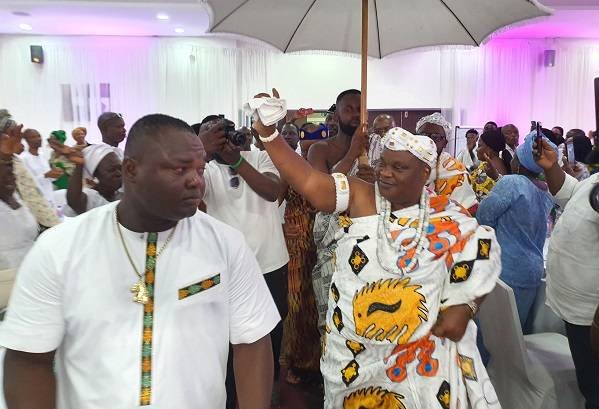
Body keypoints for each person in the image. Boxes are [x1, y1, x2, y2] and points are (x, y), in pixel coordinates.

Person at [0, 113, 279, 409]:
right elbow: (28, 359)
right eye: (180, 169)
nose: (196, 181)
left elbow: (252, 342)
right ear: (131, 169)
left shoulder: (226, 244)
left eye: (199, 169)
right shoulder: (60, 248)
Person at [252, 89, 502, 408]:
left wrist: (465, 306)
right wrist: (269, 133)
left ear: (424, 173)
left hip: (419, 362)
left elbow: (484, 252)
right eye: (383, 163)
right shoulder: (361, 195)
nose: (385, 173)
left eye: (399, 167)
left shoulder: (448, 217)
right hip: (357, 356)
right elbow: (311, 184)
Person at [199, 116, 289, 407]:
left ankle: (262, 395)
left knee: (269, 340)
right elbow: (193, 197)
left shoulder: (260, 157)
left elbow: (273, 191)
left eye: (226, 130)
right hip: (226, 270)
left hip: (270, 265)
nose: (223, 137)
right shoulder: (204, 169)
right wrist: (202, 152)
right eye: (214, 133)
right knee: (226, 345)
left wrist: (236, 160)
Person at [535, 136, 599, 409]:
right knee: (588, 382)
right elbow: (571, 192)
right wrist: (552, 167)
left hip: (592, 317)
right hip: (578, 314)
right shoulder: (593, 181)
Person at [307, 90, 373, 331]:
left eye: (360, 109)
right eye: (349, 109)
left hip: (367, 242)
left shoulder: (378, 148)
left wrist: (374, 182)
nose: (355, 114)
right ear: (336, 115)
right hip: (332, 244)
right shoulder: (320, 149)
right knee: (331, 320)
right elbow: (321, 193)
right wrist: (352, 153)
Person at [477, 132, 554, 331]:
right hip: (532, 270)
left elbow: (484, 217)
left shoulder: (512, 182)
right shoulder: (546, 190)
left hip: (505, 269)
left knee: (491, 334)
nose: (511, 159)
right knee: (516, 332)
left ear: (520, 162)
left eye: (515, 156)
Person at [279, 122, 321, 385]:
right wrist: (279, 227)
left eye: (315, 136)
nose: (307, 140)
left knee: (317, 301)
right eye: (303, 135)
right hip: (296, 241)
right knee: (296, 302)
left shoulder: (325, 165)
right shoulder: (290, 166)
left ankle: (316, 362)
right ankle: (295, 361)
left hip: (321, 240)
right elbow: (272, 201)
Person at [415, 113, 478, 213]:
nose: (429, 141)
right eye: (423, 136)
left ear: (445, 143)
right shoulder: (403, 164)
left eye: (436, 137)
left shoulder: (456, 172)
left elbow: (465, 209)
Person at [54, 144, 123, 216]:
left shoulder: (120, 195)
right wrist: (79, 165)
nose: (119, 173)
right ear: (96, 175)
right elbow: (74, 201)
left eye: (120, 168)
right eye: (111, 170)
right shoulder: (90, 197)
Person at [20, 128, 62, 204]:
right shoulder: (23, 158)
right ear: (27, 140)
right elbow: (26, 182)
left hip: (50, 197)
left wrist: (55, 174)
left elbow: (49, 178)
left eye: (39, 136)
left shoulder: (42, 156)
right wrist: (45, 175)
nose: (38, 139)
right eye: (33, 137)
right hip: (36, 200)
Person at [470, 129, 510, 201]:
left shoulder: (490, 170)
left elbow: (477, 198)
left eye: (479, 146)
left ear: (489, 149)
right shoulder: (496, 164)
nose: (476, 150)